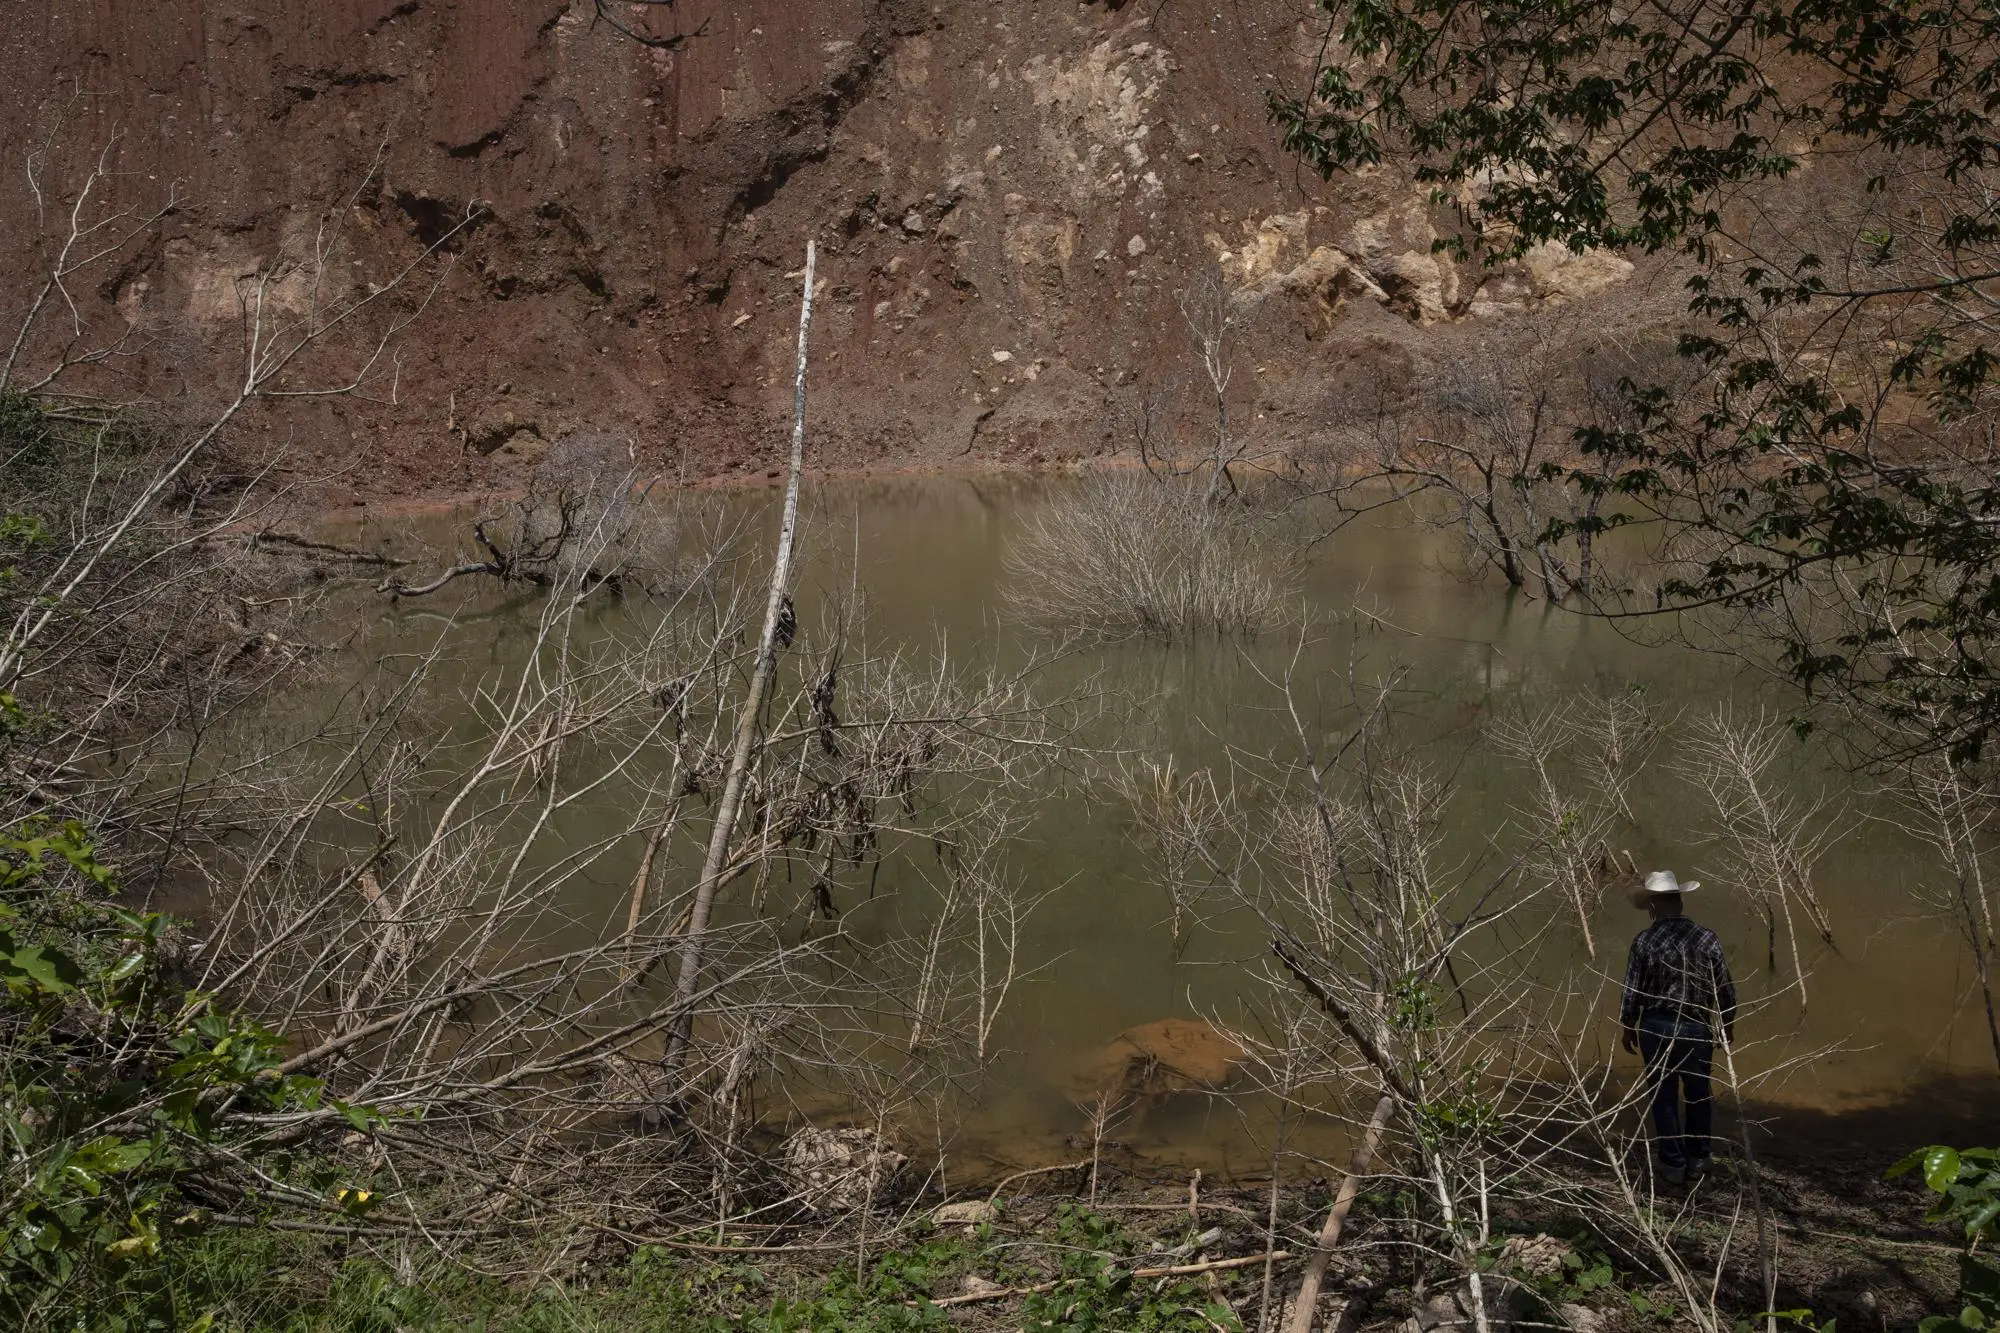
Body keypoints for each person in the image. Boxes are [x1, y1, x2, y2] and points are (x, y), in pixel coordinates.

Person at [1619, 869, 1737, 1185]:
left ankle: (1672, 1164)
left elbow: (1633, 990)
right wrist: (1727, 1024)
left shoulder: (1643, 941)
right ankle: (1699, 1158)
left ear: (1653, 907)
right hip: (1697, 1026)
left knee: (1663, 1096)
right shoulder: (1707, 938)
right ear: (1680, 901)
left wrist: (1628, 1026)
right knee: (1698, 1095)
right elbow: (1724, 987)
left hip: (1656, 1027)